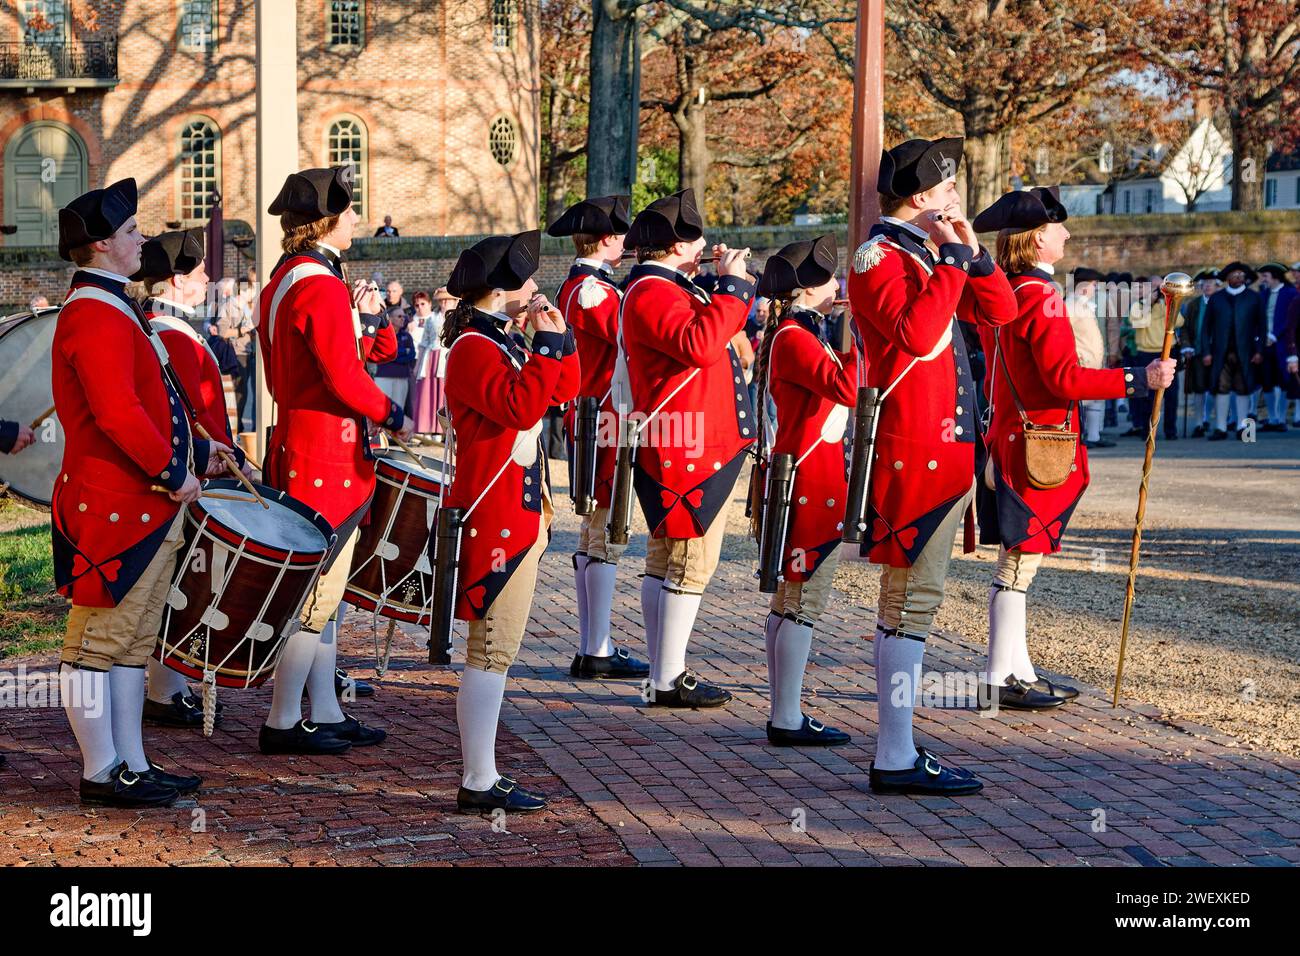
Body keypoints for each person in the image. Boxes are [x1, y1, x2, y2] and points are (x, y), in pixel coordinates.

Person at [846, 136, 1018, 796]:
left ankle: (899, 746)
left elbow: (999, 312)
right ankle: (893, 752)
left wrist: (970, 257)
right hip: (911, 444)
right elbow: (916, 335)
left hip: (941, 444)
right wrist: (949, 262)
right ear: (919, 198)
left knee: (915, 598)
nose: (954, 201)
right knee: (911, 598)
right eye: (947, 192)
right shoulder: (876, 257)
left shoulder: (926, 252)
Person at [52, 178, 223, 807]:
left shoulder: (114, 305)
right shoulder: (93, 311)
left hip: (143, 498)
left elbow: (153, 405)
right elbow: (118, 414)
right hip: (116, 501)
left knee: (130, 640)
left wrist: (200, 454)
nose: (141, 238)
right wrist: (176, 471)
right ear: (100, 246)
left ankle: (130, 762)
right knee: (96, 641)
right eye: (129, 232)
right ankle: (101, 770)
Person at [970, 187, 1175, 711]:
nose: (1067, 234)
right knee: (1018, 568)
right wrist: (1139, 378)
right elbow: (1064, 378)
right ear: (1038, 238)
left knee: (1017, 564)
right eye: (1059, 227)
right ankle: (1002, 674)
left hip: (1010, 438)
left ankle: (1017, 669)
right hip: (1037, 441)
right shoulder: (1039, 295)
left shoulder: (1007, 290)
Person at [256, 165, 407, 755]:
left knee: (327, 592)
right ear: (328, 219)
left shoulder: (288, 279)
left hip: (304, 439)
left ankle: (322, 707)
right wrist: (391, 413)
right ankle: (284, 718)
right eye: (350, 212)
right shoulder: (317, 283)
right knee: (315, 594)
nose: (357, 220)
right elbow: (343, 376)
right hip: (326, 449)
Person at [439, 230, 579, 813]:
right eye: (525, 279)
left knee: (500, 645)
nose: (534, 288)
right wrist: (542, 350)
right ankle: (478, 776)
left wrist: (557, 341)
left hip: (521, 504)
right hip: (492, 509)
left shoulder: (503, 339)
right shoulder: (474, 347)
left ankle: (483, 770)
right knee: (491, 646)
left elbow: (564, 393)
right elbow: (521, 406)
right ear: (500, 288)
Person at [618, 189, 756, 708]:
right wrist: (733, 286)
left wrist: (726, 286)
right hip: (689, 446)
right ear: (677, 245)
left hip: (689, 441)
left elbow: (714, 331)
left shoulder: (667, 286)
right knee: (689, 561)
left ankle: (663, 669)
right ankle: (669, 676)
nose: (703, 247)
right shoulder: (653, 291)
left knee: (667, 557)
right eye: (695, 239)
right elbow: (700, 344)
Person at [131, 227, 250, 729]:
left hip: (196, 463)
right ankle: (163, 689)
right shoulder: (172, 332)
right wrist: (219, 456)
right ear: (177, 281)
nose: (207, 279)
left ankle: (167, 687)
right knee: (178, 579)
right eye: (200, 271)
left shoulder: (170, 326)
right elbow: (187, 411)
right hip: (189, 467)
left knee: (176, 578)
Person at [751, 236, 855, 747]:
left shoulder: (800, 331)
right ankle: (786, 714)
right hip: (809, 475)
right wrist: (869, 335)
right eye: (831, 280)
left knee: (793, 598)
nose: (838, 288)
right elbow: (849, 388)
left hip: (812, 470)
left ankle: (786, 710)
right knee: (802, 598)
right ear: (810, 288)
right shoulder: (796, 336)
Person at [547, 194, 649, 680]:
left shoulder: (591, 284)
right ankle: (597, 646)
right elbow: (632, 338)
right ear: (608, 239)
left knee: (595, 532)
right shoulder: (591, 289)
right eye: (623, 235)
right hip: (603, 412)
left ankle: (595, 643)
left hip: (595, 412)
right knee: (606, 530)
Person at [1200, 261, 1266, 441]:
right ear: (1227, 277)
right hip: (1220, 352)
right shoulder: (1217, 298)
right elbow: (1206, 329)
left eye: (1241, 275)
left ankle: (1243, 428)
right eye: (1234, 275)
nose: (1238, 278)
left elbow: (1262, 326)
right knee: (1221, 389)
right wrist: (1206, 351)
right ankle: (1220, 427)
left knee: (1244, 388)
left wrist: (1260, 350)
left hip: (1247, 353)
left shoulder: (1254, 298)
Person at [1125, 277, 1183, 441]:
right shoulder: (1139, 305)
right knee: (1147, 395)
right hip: (1145, 353)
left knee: (1171, 395)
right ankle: (1147, 430)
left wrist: (1166, 304)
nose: (1159, 291)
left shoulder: (1167, 305)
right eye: (1156, 288)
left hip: (1166, 352)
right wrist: (1149, 304)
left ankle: (1171, 430)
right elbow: (1139, 323)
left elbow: (1179, 322)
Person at [1066, 266, 1113, 448]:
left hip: (1092, 361)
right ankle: (1081, 437)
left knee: (1094, 400)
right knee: (1082, 403)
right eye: (1094, 285)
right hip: (1081, 361)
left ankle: (1093, 436)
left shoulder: (1083, 305)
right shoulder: (1071, 304)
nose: (1096, 289)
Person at [1256, 263, 1297, 431]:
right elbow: (1259, 317)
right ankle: (1272, 418)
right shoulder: (1263, 294)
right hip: (1264, 344)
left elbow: (1291, 320)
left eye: (1265, 276)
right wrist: (1259, 335)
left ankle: (1281, 419)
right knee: (1267, 381)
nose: (1263, 279)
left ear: (1275, 276)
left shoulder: (1291, 293)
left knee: (1283, 381)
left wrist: (1275, 335)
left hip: (1282, 344)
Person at [214, 273, 256, 433]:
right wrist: (243, 329)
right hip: (236, 354)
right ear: (243, 291)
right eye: (251, 290)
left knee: (244, 393)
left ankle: (239, 429)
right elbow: (222, 331)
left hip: (247, 352)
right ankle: (235, 431)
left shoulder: (247, 307)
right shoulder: (227, 306)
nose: (253, 293)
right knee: (239, 395)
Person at [411, 288, 455, 439]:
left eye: (447, 300)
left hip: (447, 357)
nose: (444, 303)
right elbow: (424, 343)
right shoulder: (432, 319)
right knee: (427, 393)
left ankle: (441, 430)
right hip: (431, 358)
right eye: (442, 300)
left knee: (443, 394)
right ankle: (426, 428)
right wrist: (418, 366)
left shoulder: (457, 319)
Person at [1179, 270, 1219, 437]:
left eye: (1211, 283)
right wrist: (1186, 346)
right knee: (1199, 388)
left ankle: (1217, 422)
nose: (1207, 286)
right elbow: (1186, 329)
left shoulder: (1222, 302)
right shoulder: (1194, 304)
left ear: (1218, 286)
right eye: (1205, 283)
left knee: (1217, 388)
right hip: (1197, 352)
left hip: (1218, 352)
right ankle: (1199, 423)